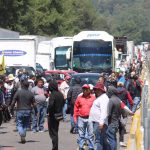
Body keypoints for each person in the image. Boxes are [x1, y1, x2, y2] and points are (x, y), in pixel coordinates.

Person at [74, 84, 96, 150]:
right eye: (84, 89)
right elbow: (76, 108)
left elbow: (96, 108)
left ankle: (91, 148)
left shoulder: (93, 98)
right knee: (81, 135)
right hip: (81, 118)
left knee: (91, 135)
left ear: (89, 90)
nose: (85, 90)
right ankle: (81, 148)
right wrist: (75, 117)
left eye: (86, 89)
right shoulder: (79, 98)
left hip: (90, 118)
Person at [89, 83, 110, 150]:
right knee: (100, 140)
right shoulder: (100, 97)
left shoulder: (103, 98)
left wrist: (101, 123)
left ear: (100, 90)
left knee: (98, 141)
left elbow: (104, 112)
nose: (95, 91)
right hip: (97, 122)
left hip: (99, 122)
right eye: (95, 90)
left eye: (97, 90)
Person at [47, 80, 64, 150]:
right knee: (55, 131)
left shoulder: (53, 94)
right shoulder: (60, 94)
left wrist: (48, 111)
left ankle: (55, 148)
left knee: (53, 133)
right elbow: (63, 102)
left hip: (52, 115)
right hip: (59, 114)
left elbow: (51, 105)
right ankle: (55, 147)